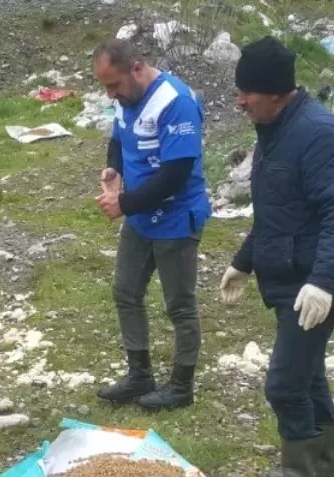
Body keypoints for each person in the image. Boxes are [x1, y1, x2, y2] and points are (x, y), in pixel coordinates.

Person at [218, 36, 334, 477]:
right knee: (308, 375)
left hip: (316, 283)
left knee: (283, 383)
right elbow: (276, 212)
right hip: (288, 277)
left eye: (248, 92)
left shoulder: (318, 134)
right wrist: (245, 261)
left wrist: (323, 281)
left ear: (278, 92)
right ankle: (326, 469)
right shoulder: (274, 128)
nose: (239, 100)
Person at [92, 39, 212, 411]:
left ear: (137, 67)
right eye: (105, 87)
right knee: (125, 292)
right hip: (142, 217)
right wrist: (114, 169)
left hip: (177, 217)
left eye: (114, 85)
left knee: (179, 305)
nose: (111, 94)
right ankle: (139, 374)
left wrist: (124, 203)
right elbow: (119, 137)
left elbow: (176, 175)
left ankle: (181, 386)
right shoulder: (124, 97)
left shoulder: (175, 102)